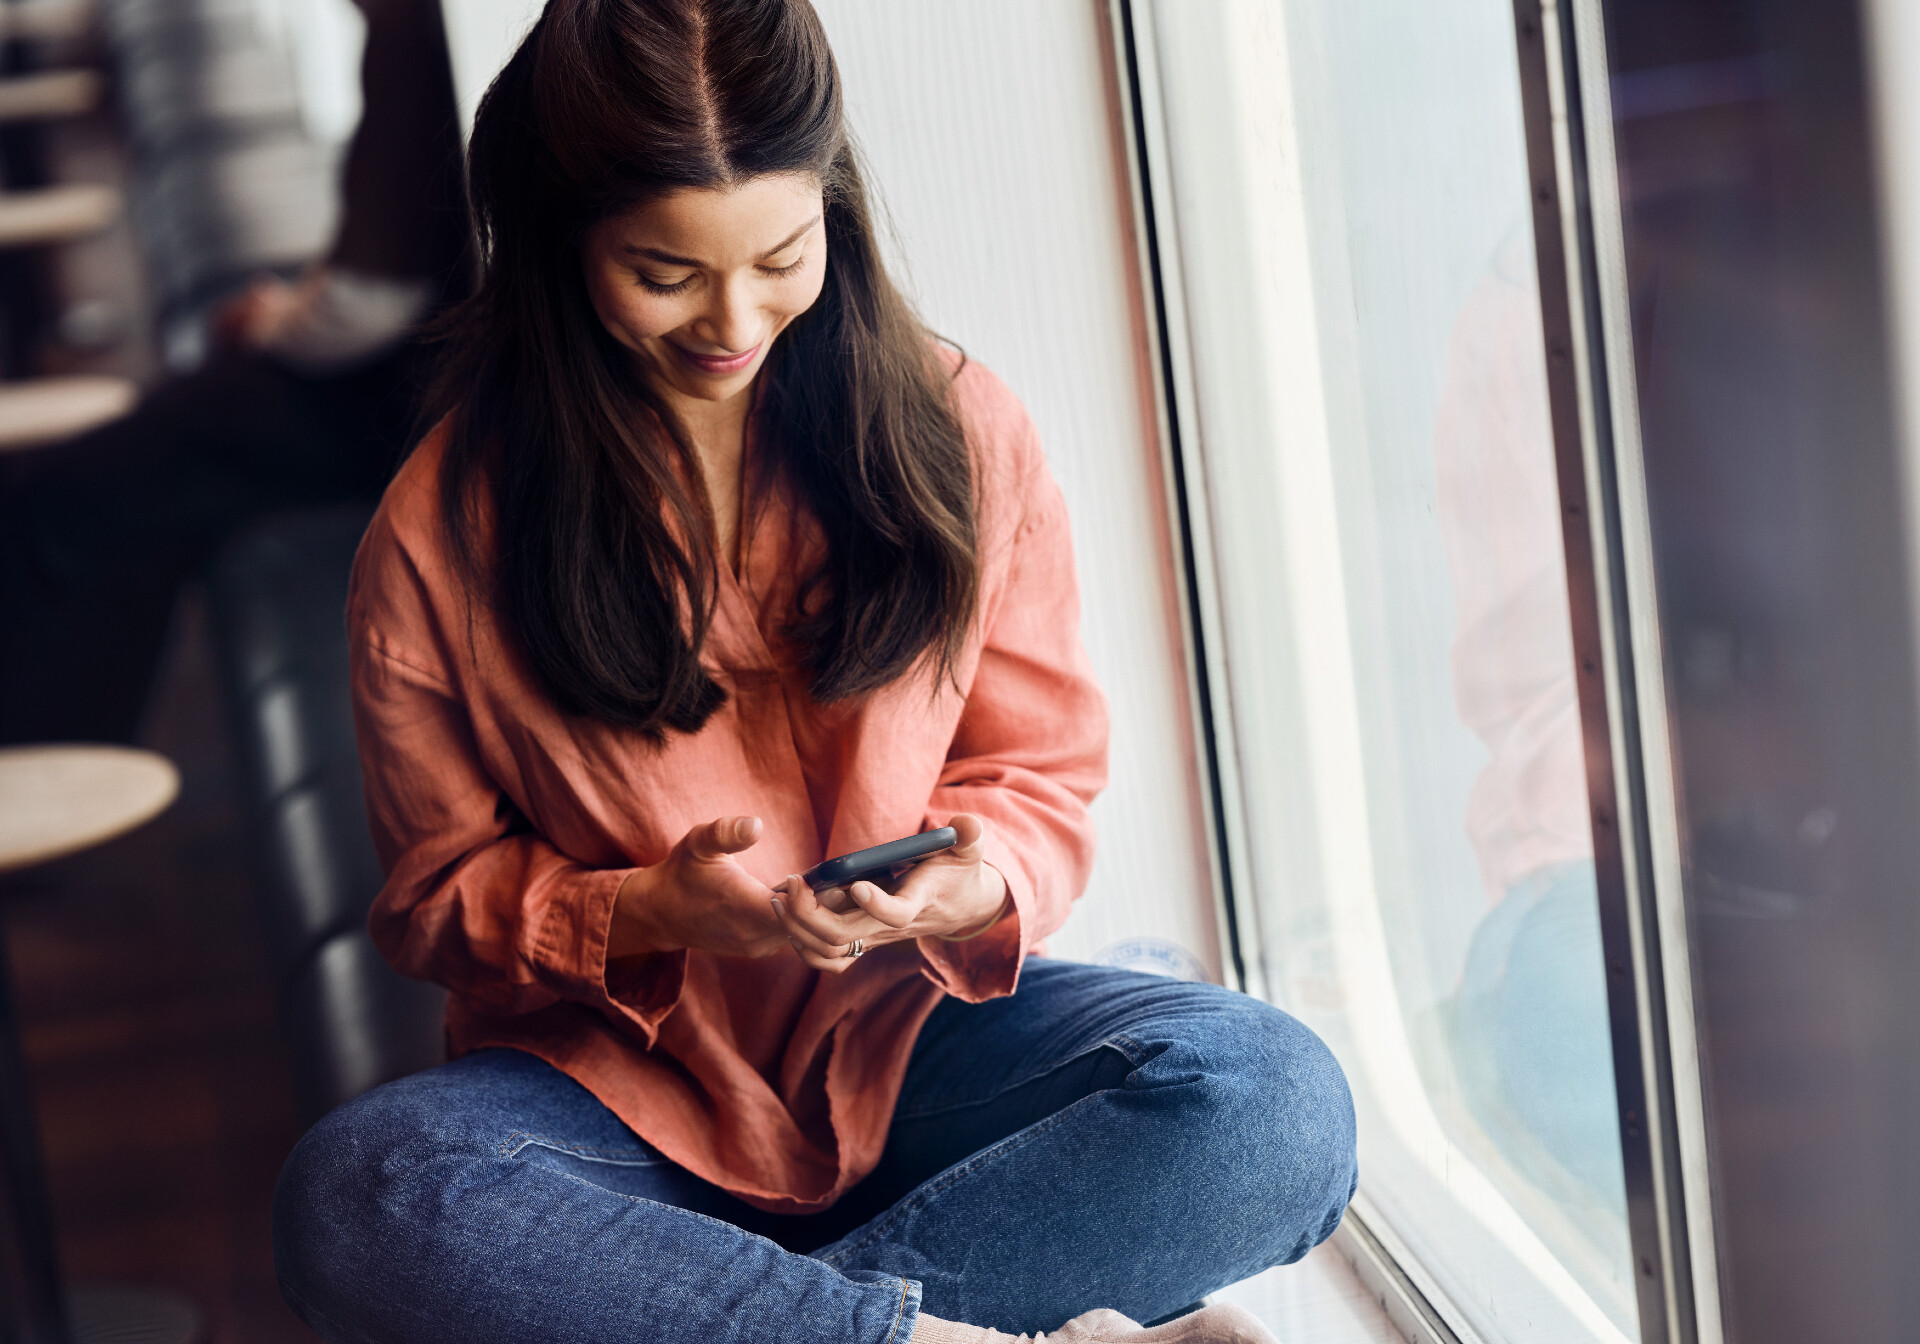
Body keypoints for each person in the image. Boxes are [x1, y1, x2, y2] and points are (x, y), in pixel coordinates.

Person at [270, 3, 1357, 1342]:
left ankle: (746, 1322)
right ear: (559, 243)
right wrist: (648, 914)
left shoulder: (961, 433)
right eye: (665, 273)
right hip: (613, 1098)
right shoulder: (441, 535)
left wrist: (976, 876)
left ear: (831, 206)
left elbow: (1037, 770)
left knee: (1275, 1099)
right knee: (361, 1195)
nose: (735, 321)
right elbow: (437, 901)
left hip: (905, 1045)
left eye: (782, 256)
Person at [0, 0, 466, 746]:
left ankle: (39, 788)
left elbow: (367, 304)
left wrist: (270, 321)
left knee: (63, 510)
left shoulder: (409, 20)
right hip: (434, 380)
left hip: (409, 402)